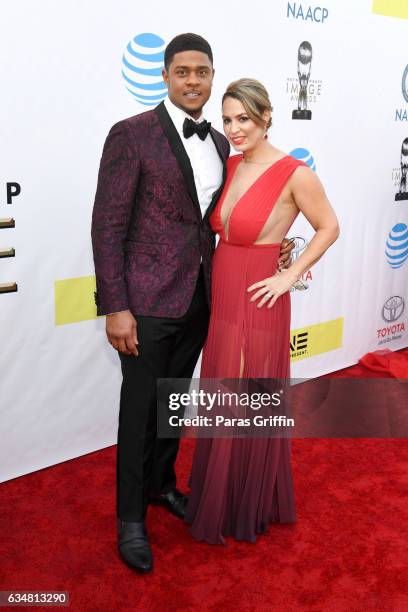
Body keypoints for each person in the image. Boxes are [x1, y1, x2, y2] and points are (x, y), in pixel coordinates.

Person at [91, 36, 293, 572]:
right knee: (139, 412)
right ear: (164, 75)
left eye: (202, 72)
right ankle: (130, 518)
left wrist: (284, 252)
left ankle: (162, 487)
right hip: (145, 304)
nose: (193, 81)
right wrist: (116, 305)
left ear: (211, 76)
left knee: (173, 405)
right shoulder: (130, 135)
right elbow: (107, 225)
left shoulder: (227, 146)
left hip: (201, 301)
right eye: (182, 71)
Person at [185, 78, 340, 544]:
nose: (234, 128)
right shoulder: (231, 165)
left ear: (267, 117)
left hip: (259, 294)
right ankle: (222, 491)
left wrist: (289, 275)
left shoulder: (295, 172)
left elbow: (329, 227)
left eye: (244, 119)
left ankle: (247, 500)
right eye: (228, 119)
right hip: (225, 291)